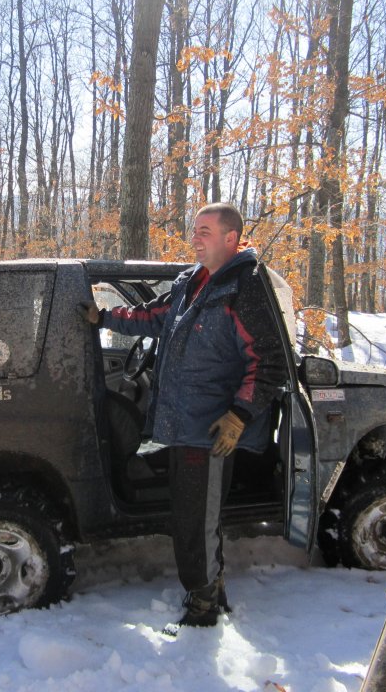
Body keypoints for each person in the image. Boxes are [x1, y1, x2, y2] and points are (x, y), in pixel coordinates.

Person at [79, 203, 286, 631]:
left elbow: (267, 361)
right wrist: (104, 317)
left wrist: (238, 415)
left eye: (205, 231)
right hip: (183, 422)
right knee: (191, 518)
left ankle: (203, 609)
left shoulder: (245, 287)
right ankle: (210, 590)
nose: (195, 237)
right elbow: (152, 316)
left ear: (231, 238)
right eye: (195, 230)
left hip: (212, 429)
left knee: (196, 521)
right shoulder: (192, 281)